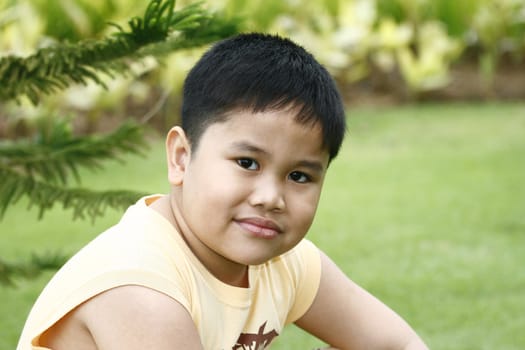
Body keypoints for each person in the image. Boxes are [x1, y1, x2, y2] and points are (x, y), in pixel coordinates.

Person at [17, 33, 428, 350]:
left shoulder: (286, 265)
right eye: (247, 163)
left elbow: (399, 343)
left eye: (300, 176)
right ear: (181, 157)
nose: (271, 197)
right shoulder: (138, 287)